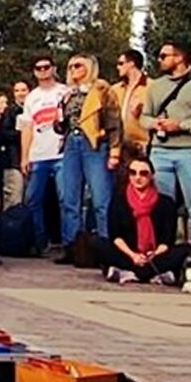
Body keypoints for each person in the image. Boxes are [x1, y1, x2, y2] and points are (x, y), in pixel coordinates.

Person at [140, 41, 191, 242]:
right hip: (160, 152)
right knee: (161, 206)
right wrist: (156, 124)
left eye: (163, 56)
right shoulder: (155, 87)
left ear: (179, 58)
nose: (159, 60)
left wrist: (182, 126)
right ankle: (162, 250)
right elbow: (144, 117)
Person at [54, 53, 120, 261]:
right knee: (69, 199)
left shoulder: (101, 89)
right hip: (71, 144)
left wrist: (114, 150)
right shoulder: (68, 94)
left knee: (101, 199)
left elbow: (114, 122)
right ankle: (72, 246)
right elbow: (62, 124)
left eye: (79, 66)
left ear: (90, 68)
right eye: (71, 67)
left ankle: (106, 246)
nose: (74, 70)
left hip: (95, 144)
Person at [98, 156, 190, 284]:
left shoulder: (166, 202)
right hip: (129, 253)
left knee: (185, 249)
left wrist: (152, 256)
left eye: (143, 173)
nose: (137, 177)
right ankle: (152, 274)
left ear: (152, 175)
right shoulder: (119, 200)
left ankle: (132, 273)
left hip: (155, 255)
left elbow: (167, 240)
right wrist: (133, 255)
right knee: (98, 243)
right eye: (133, 173)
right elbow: (116, 236)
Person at [19, 56, 70, 255]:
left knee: (66, 199)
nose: (42, 71)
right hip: (38, 153)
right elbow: (27, 128)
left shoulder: (64, 91)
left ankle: (69, 243)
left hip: (62, 153)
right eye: (38, 68)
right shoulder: (32, 97)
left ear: (53, 69)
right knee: (32, 199)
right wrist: (24, 157)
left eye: (46, 67)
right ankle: (40, 242)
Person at [111, 50, 149, 183]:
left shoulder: (151, 87)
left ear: (131, 64)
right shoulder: (115, 89)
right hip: (121, 147)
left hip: (143, 146)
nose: (118, 67)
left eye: (121, 63)